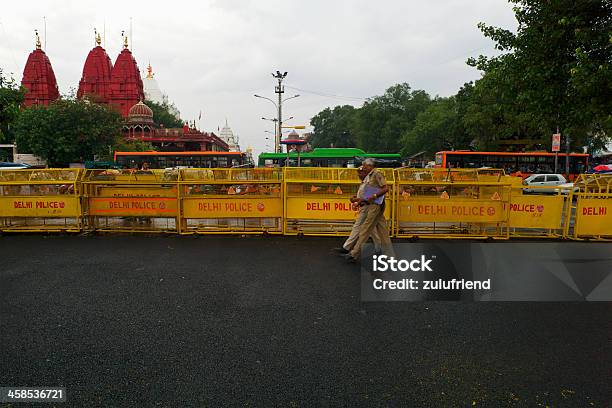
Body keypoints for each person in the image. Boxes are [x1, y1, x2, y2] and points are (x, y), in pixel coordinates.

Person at [345, 159, 394, 263]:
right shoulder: (369, 176)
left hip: (375, 206)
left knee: (365, 229)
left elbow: (385, 189)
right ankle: (389, 255)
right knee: (383, 231)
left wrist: (374, 196)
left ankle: (354, 253)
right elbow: (368, 195)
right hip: (374, 205)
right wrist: (360, 200)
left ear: (369, 166)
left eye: (364, 166)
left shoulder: (376, 174)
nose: (363, 168)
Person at [333, 167, 381, 255]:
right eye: (358, 173)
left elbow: (368, 197)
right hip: (365, 207)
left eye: (361, 173)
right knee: (372, 229)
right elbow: (363, 195)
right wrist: (356, 198)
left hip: (367, 208)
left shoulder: (369, 183)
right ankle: (379, 248)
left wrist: (356, 201)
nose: (359, 175)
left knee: (358, 226)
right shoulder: (364, 182)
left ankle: (346, 247)